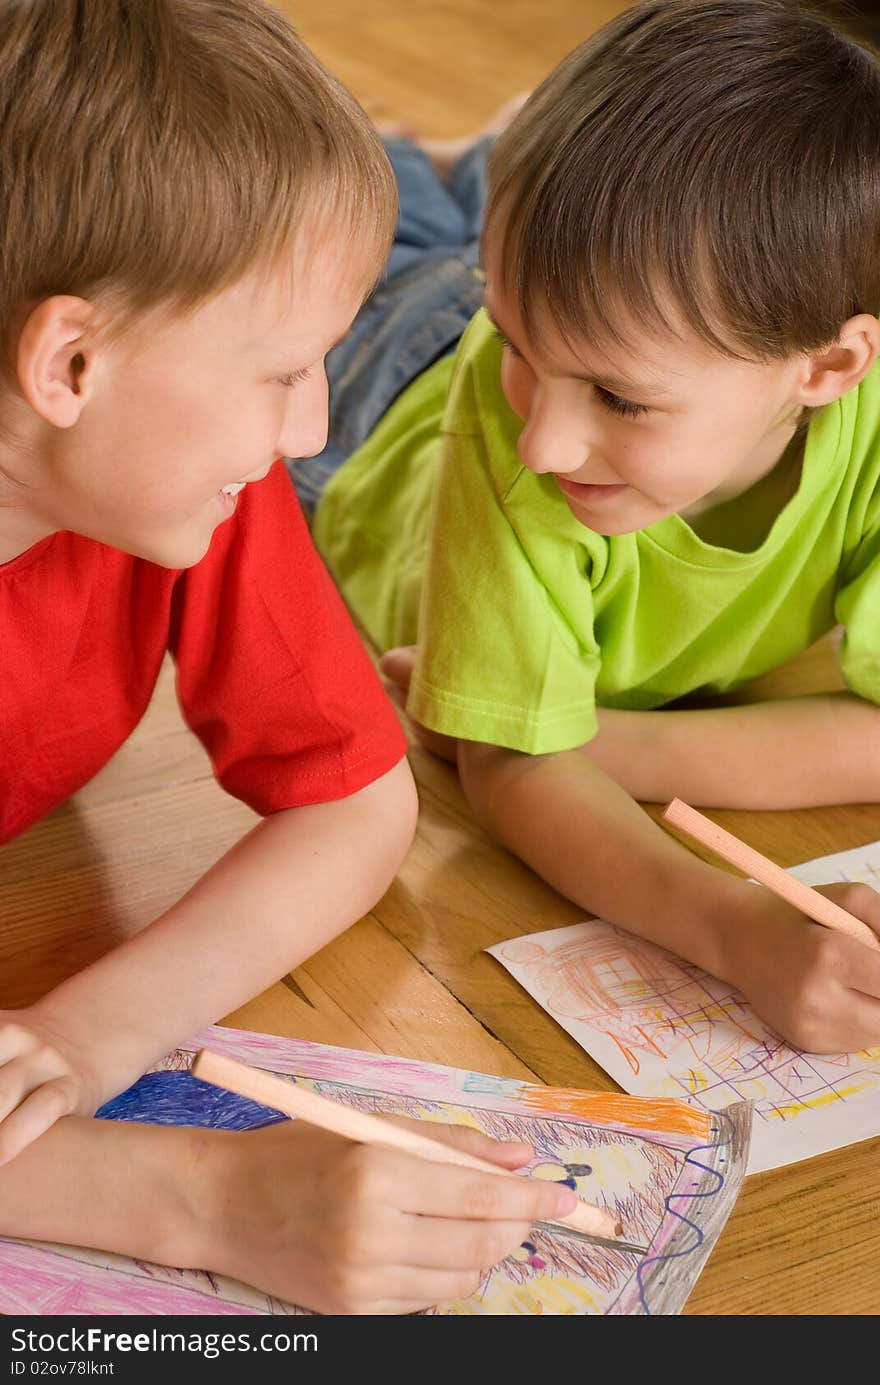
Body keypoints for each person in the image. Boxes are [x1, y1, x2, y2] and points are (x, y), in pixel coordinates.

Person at [0, 0, 575, 1315]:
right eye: (283, 371)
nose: (313, 428)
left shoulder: (183, 486)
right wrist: (202, 1200)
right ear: (71, 359)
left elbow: (358, 804)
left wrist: (98, 1027)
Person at [301, 0, 880, 1057]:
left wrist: (589, 740)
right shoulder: (507, 397)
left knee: (439, 242)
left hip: (495, 302)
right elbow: (515, 770)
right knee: (345, 245)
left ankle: (461, 173)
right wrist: (736, 930)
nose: (545, 448)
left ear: (830, 367)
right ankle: (441, 182)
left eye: (621, 398)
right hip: (391, 383)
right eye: (524, 348)